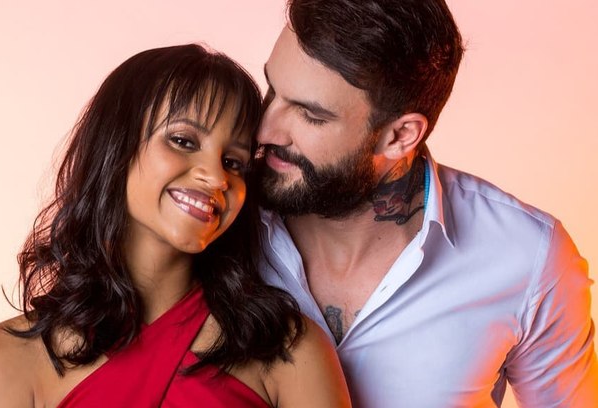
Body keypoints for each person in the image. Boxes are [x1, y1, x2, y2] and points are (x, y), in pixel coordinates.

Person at [0, 44, 351, 408]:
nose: (216, 177)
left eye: (233, 162)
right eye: (183, 141)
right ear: (116, 146)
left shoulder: (291, 353)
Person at [255, 0, 598, 406]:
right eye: (272, 90)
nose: (265, 130)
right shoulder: (220, 222)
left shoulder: (528, 258)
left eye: (311, 115)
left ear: (400, 136)